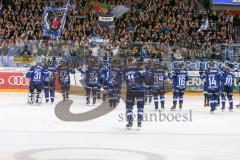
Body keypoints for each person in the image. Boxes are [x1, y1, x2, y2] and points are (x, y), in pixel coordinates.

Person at [124, 58, 146, 128]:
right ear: (133, 61)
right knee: (140, 107)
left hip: (130, 90)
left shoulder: (125, 70)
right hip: (140, 90)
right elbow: (145, 77)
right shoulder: (139, 68)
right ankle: (139, 121)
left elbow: (125, 80)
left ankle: (130, 121)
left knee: (129, 107)